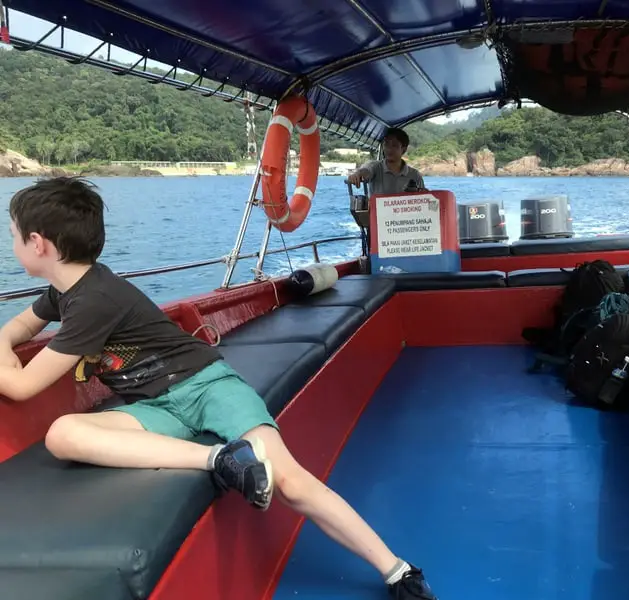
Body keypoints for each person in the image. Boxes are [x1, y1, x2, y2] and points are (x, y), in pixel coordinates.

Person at [0, 177, 437, 600]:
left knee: (289, 480)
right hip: (155, 406)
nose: (14, 241)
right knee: (62, 436)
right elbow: (18, 327)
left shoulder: (93, 300)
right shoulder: (65, 293)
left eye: (15, 234)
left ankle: (396, 570)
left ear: (38, 244)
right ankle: (219, 459)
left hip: (206, 385)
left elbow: (20, 387)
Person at [347, 128, 426, 195]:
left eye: (394, 145)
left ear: (404, 149)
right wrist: (357, 174)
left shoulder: (415, 175)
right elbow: (366, 170)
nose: (389, 149)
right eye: (386, 144)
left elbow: (423, 198)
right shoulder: (375, 167)